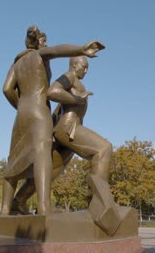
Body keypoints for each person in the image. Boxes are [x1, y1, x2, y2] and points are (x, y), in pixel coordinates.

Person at [0, 25, 105, 216]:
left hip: (22, 112)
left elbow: (6, 89)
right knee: (42, 156)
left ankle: (5, 209)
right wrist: (81, 49)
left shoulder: (17, 63)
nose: (46, 45)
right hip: (39, 110)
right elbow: (57, 51)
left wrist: (20, 105)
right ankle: (43, 208)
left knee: (13, 160)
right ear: (38, 43)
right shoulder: (39, 55)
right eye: (44, 42)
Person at [47, 55, 121, 235]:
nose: (86, 70)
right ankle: (97, 202)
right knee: (103, 149)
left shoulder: (76, 81)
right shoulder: (69, 76)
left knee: (50, 171)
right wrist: (78, 99)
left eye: (88, 68)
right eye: (84, 67)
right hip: (69, 127)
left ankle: (19, 201)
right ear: (74, 65)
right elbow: (52, 92)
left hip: (67, 128)